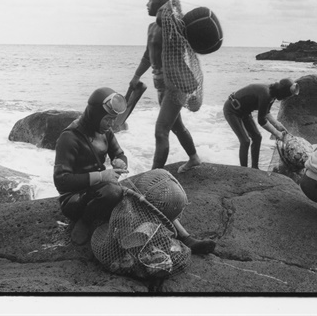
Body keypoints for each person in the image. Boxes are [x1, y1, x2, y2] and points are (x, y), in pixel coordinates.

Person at [54, 87, 215, 254]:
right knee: (112, 192)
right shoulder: (70, 137)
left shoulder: (104, 131)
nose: (111, 124)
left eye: (113, 119)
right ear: (95, 114)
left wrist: (121, 162)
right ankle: (85, 222)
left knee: (146, 192)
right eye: (107, 119)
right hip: (74, 199)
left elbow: (119, 153)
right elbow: (61, 180)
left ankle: (184, 236)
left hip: (99, 189)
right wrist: (101, 175)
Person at [130, 0, 203, 174]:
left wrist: (168, 8)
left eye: (150, 0)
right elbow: (148, 56)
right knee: (176, 126)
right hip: (160, 85)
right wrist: (136, 76)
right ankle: (194, 158)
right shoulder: (151, 27)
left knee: (161, 130)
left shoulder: (173, 25)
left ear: (159, 2)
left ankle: (155, 176)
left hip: (176, 83)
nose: (146, 4)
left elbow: (172, 24)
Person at [223, 79, 299, 169]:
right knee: (245, 141)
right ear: (282, 92)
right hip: (232, 110)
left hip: (245, 111)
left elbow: (267, 113)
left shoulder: (272, 94)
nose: (284, 98)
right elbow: (261, 121)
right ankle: (243, 169)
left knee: (257, 137)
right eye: (285, 96)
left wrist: (279, 126)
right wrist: (277, 134)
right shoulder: (266, 94)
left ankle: (255, 168)